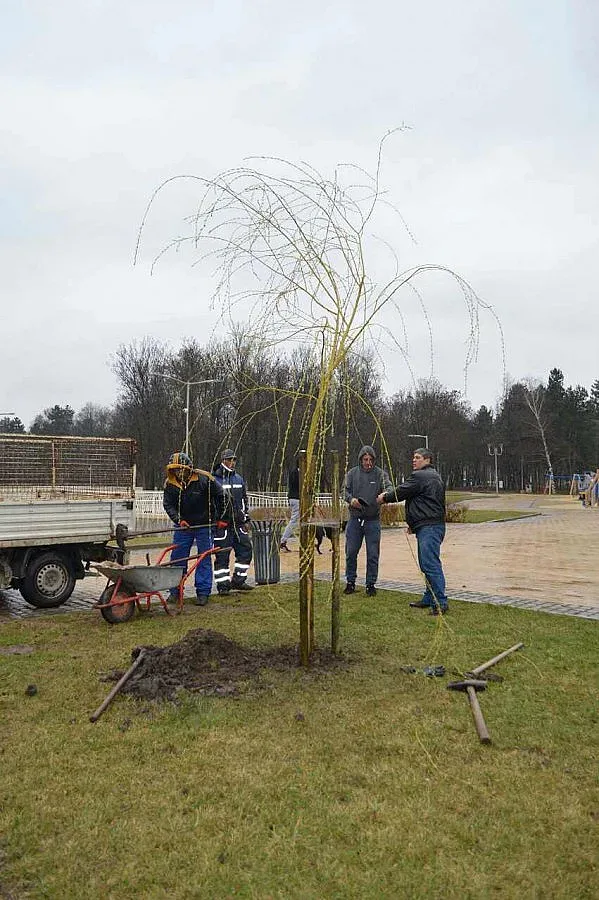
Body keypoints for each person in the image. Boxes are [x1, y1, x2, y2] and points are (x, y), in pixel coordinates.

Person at [377, 447, 448, 615]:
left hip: (429, 528)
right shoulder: (434, 476)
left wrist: (384, 498)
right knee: (427, 563)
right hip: (431, 526)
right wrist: (415, 524)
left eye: (417, 457)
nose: (414, 460)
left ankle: (440, 602)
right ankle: (429, 598)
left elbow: (402, 492)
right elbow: (425, 502)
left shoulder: (421, 476)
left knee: (430, 564)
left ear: (427, 460)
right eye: (413, 457)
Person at [163, 451, 224, 606]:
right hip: (183, 526)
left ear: (189, 468)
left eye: (181, 469)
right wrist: (179, 520)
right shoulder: (170, 484)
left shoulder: (204, 479)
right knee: (177, 558)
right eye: (175, 469)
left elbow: (222, 496)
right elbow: (168, 505)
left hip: (204, 525)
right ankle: (175, 591)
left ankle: (203, 592)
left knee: (203, 558)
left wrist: (221, 518)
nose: (178, 472)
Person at [343, 445, 391, 596]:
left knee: (372, 554)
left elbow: (390, 488)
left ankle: (371, 584)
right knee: (351, 552)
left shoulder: (380, 474)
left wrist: (384, 495)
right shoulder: (352, 473)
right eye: (365, 460)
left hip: (372, 520)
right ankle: (350, 582)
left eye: (371, 460)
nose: (368, 463)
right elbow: (344, 490)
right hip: (355, 519)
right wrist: (351, 500)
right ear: (360, 460)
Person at [212, 449, 253, 594]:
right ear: (223, 460)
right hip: (222, 525)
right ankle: (223, 586)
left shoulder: (238, 479)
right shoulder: (214, 479)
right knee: (222, 556)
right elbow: (212, 503)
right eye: (230, 459)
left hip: (239, 523)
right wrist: (217, 520)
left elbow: (243, 500)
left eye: (234, 459)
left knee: (246, 550)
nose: (233, 462)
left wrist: (246, 518)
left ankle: (238, 581)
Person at [280, 462, 300, 552]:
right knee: (294, 520)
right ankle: (283, 541)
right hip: (296, 499)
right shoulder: (297, 473)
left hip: (293, 498)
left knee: (296, 520)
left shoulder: (294, 472)